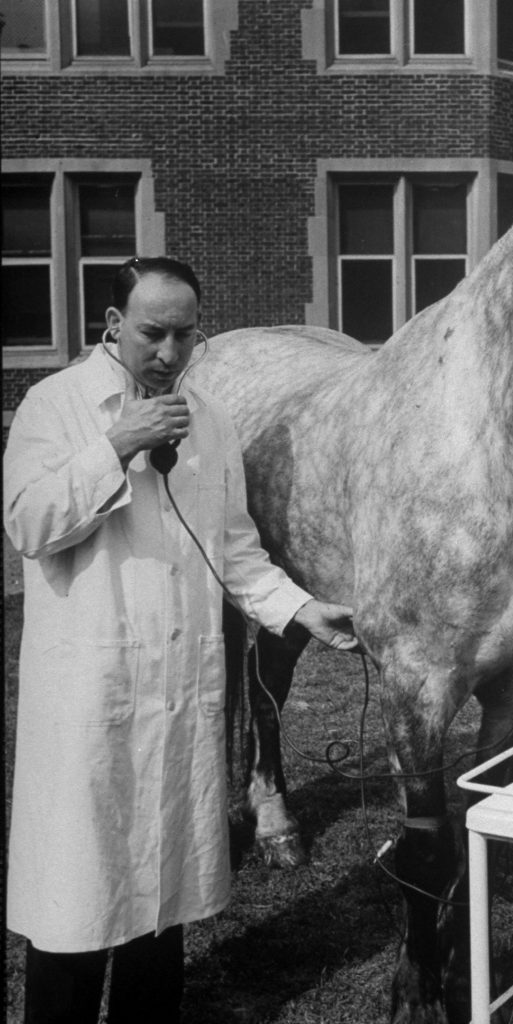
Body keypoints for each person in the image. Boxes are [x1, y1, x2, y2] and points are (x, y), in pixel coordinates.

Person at [4, 256, 360, 1024]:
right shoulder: (54, 405)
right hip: (90, 698)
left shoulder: (211, 419)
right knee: (77, 895)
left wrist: (302, 611)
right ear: (112, 325)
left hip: (177, 695)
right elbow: (29, 525)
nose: (169, 354)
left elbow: (234, 550)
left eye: (185, 335)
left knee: (161, 899)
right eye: (151, 334)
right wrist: (115, 445)